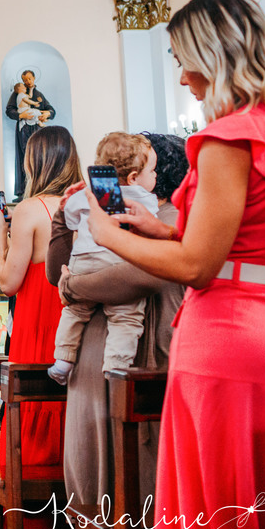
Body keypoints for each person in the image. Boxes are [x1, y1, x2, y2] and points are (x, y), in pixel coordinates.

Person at [82, 0, 265, 529]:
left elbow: (198, 267)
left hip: (233, 346)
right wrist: (161, 230)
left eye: (183, 58)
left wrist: (111, 235)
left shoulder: (228, 136)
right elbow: (252, 235)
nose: (182, 77)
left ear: (213, 55)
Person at [47, 132, 188, 512]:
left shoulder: (171, 218)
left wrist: (74, 286)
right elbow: (52, 271)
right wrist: (63, 216)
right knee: (96, 467)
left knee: (139, 475)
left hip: (145, 355)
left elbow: (139, 276)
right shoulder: (118, 208)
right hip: (105, 356)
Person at [0, 124, 82, 529]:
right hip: (76, 322)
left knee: (31, 432)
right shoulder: (83, 204)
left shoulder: (30, 209)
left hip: (40, 327)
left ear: (34, 161)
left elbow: (8, 281)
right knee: (70, 429)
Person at [48, 132, 158, 385]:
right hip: (118, 260)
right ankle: (115, 367)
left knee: (75, 310)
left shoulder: (85, 193)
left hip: (84, 261)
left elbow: (70, 217)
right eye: (152, 171)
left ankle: (63, 361)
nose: (155, 177)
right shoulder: (147, 200)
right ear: (133, 177)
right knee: (126, 316)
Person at [4, 70, 56, 199]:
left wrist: (47, 114)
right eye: (25, 79)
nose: (27, 81)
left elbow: (51, 110)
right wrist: (21, 115)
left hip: (37, 130)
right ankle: (25, 190)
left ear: (34, 78)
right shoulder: (19, 93)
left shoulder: (39, 95)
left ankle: (40, 188)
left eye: (29, 79)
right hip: (25, 129)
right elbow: (9, 110)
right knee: (26, 156)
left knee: (40, 156)